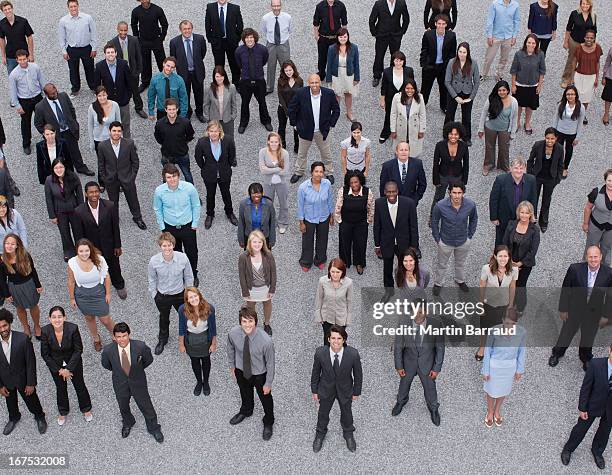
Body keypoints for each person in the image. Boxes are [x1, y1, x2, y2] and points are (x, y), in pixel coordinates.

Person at [550, 246, 612, 370]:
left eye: (596, 257)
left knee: (588, 337)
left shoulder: (609, 273)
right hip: (574, 310)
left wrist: (606, 315)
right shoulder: (575, 269)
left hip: (594, 313)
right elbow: (566, 290)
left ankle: (585, 358)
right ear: (586, 257)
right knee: (566, 334)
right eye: (590, 257)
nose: (593, 260)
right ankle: (557, 353)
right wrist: (563, 309)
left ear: (600, 257)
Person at [101, 322, 164, 443]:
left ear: (129, 334)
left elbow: (148, 360)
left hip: (138, 381)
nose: (122, 339)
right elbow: (106, 365)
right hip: (120, 383)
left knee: (146, 406)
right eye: (118, 337)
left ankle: (154, 428)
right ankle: (128, 422)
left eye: (124, 336)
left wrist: (136, 372)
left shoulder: (140, 347)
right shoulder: (108, 351)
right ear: (114, 337)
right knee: (123, 405)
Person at [392, 299, 444, 426]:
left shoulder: (436, 324)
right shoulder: (403, 324)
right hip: (408, 362)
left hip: (427, 363)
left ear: (426, 311)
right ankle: (401, 401)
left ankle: (433, 408)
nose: (418, 314)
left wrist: (436, 368)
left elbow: (440, 348)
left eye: (421, 311)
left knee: (430, 387)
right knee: (404, 383)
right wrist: (399, 366)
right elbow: (398, 346)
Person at [311, 325, 362, 453]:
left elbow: (358, 375)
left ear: (344, 340)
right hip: (326, 389)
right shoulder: (320, 353)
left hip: (345, 389)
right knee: (323, 413)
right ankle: (320, 433)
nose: (336, 341)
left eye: (339, 338)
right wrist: (315, 390)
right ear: (328, 339)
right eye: (333, 338)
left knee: (347, 412)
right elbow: (315, 373)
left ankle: (348, 433)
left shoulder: (353, 354)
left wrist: (356, 391)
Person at [560, 344, 612, 470]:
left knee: (605, 432)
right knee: (580, 429)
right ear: (610, 349)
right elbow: (586, 388)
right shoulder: (596, 364)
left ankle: (597, 451)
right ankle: (568, 449)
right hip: (593, 405)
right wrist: (582, 407)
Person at [227, 306, 275, 441]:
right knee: (244, 392)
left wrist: (268, 383)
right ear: (240, 322)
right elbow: (230, 348)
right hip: (241, 370)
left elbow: (270, 363)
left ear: (256, 322)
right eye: (244, 321)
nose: (247, 325)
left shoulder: (266, 341)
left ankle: (269, 421)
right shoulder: (233, 334)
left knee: (266, 399)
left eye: (250, 321)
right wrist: (232, 366)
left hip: (260, 374)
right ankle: (246, 410)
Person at [40, 306, 92, 426]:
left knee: (79, 385)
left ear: (64, 317)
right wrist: (59, 370)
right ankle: (63, 410)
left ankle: (86, 408)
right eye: (54, 317)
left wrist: (68, 368)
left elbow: (78, 350)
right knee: (60, 388)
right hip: (56, 366)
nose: (57, 320)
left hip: (73, 363)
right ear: (49, 319)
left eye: (59, 317)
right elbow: (45, 354)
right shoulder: (45, 331)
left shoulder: (73, 328)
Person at [73, 181, 126, 299]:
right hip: (91, 248)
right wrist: (86, 251)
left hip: (109, 245)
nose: (94, 194)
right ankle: (99, 287)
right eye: (91, 192)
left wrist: (118, 245)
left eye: (96, 191)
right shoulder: (79, 211)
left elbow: (115, 227)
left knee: (114, 266)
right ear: (86, 194)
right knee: (95, 268)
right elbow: (79, 235)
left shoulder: (110, 206)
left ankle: (119, 284)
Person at [0, 308, 47, 436]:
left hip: (24, 380)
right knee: (10, 402)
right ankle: (14, 417)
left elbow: (31, 363)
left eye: (4, 325)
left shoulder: (23, 339)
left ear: (9, 323)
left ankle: (39, 416)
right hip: (6, 381)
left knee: (32, 400)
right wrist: (0, 386)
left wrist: (31, 383)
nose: (2, 329)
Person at [153, 164, 201, 286]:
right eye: (169, 177)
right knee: (175, 253)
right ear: (165, 178)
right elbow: (157, 209)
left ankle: (193, 274)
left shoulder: (189, 188)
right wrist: (162, 228)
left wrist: (194, 224)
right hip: (170, 228)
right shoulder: (159, 191)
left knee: (192, 252)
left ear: (179, 176)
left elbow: (196, 205)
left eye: (174, 176)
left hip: (187, 227)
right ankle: (181, 273)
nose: (172, 179)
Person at [288, 74, 340, 184]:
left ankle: (329, 172)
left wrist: (331, 124)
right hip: (305, 130)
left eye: (316, 82)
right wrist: (294, 124)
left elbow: (336, 110)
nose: (314, 85)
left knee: (326, 153)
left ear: (320, 83)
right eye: (312, 83)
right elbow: (292, 109)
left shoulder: (328, 94)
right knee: (302, 153)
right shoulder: (301, 93)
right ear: (308, 83)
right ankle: (299, 172)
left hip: (322, 131)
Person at [34, 83, 94, 176]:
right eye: (52, 94)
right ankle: (66, 172)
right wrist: (47, 134)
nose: (55, 95)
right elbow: (38, 124)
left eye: (55, 92)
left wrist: (74, 123)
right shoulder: (40, 107)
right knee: (60, 154)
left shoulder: (63, 96)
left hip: (68, 130)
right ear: (46, 95)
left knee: (75, 151)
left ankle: (81, 167)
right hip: (56, 134)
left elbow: (71, 110)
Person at [148, 232, 194, 356]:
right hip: (162, 296)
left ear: (173, 245)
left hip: (179, 294)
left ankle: (187, 338)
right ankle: (163, 339)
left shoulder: (183, 258)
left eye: (169, 245)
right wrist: (154, 295)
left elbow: (189, 276)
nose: (167, 248)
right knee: (164, 318)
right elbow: (152, 279)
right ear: (160, 246)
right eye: (164, 246)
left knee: (185, 316)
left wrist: (189, 293)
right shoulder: (154, 261)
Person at [481, 307, 526, 427]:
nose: (509, 326)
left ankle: (497, 411)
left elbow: (522, 350)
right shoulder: (493, 331)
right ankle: (490, 412)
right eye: (507, 323)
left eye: (513, 323)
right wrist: (485, 370)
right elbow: (487, 351)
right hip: (494, 366)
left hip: (509, 367)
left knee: (503, 391)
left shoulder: (521, 332)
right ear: (502, 320)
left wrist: (519, 369)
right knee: (491, 392)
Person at [67, 239, 114, 352]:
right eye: (81, 251)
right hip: (82, 295)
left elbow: (107, 277)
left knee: (105, 319)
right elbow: (71, 281)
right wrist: (72, 298)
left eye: (86, 250)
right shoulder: (72, 263)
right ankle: (96, 338)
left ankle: (116, 335)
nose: (84, 254)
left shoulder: (99, 259)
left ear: (90, 249)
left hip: (98, 293)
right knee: (89, 317)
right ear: (77, 251)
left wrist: (108, 293)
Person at [96, 122, 145, 229]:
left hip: (127, 178)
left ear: (121, 132)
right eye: (114, 130)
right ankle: (114, 219)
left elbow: (135, 162)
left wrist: (132, 176)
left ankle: (137, 218)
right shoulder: (102, 146)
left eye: (119, 131)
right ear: (109, 131)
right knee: (113, 202)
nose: (116, 133)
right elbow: (101, 164)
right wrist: (105, 178)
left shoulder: (129, 144)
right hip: (111, 179)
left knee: (133, 199)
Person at [432, 183, 477, 295]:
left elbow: (473, 219)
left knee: (460, 263)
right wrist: (438, 239)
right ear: (449, 192)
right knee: (442, 264)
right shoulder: (440, 206)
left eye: (459, 193)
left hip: (463, 241)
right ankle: (438, 283)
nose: (456, 196)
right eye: (454, 193)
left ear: (463, 193)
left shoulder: (470, 205)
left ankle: (460, 280)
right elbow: (434, 222)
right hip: (445, 242)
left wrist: (469, 236)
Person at [374, 181, 419, 290]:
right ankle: (389, 291)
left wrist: (414, 246)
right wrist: (377, 245)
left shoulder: (409, 203)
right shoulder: (379, 203)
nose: (391, 194)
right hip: (387, 243)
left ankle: (405, 289)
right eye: (388, 192)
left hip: (404, 243)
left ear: (397, 191)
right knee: (387, 269)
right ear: (384, 192)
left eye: (393, 191)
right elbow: (377, 225)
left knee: (406, 268)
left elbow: (413, 226)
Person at [476, 246, 518, 360]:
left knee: (500, 326)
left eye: (505, 256)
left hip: (503, 303)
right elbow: (482, 285)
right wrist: (480, 303)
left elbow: (512, 286)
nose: (503, 259)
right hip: (488, 302)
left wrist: (510, 305)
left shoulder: (514, 270)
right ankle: (482, 347)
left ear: (509, 257)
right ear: (495, 256)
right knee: (484, 327)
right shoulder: (486, 268)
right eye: (500, 256)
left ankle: (495, 346)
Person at [194, 120, 237, 229]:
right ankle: (210, 214)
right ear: (208, 131)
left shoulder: (228, 140)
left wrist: (227, 166)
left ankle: (229, 213)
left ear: (220, 132)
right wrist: (204, 168)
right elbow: (198, 158)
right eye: (211, 131)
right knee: (210, 194)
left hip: (224, 173)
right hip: (209, 174)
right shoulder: (202, 142)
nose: (213, 133)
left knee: (226, 193)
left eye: (216, 131)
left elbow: (232, 155)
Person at [0, 234, 41, 341]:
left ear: (17, 245)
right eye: (7, 243)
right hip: (14, 288)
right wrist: (6, 294)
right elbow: (2, 279)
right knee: (20, 308)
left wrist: (38, 284)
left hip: (29, 284)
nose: (9, 246)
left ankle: (37, 326)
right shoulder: (2, 260)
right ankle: (25, 327)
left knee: (33, 306)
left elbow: (33, 270)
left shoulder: (25, 255)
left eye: (12, 244)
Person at [489, 156, 538, 245]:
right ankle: (500, 257)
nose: (518, 171)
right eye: (516, 168)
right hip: (504, 218)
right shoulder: (501, 180)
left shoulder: (531, 180)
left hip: (522, 218)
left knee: (519, 241)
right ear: (511, 168)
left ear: (525, 169)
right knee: (501, 240)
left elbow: (534, 199)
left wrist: (532, 216)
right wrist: (494, 217)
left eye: (521, 168)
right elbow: (494, 199)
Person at [502, 201, 541, 314]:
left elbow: (533, 251)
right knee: (509, 283)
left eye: (526, 213)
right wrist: (509, 261)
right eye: (522, 212)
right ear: (518, 212)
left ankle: (520, 307)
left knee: (520, 286)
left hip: (525, 264)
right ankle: (509, 304)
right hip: (510, 261)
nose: (524, 215)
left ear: (531, 214)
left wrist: (520, 263)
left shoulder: (534, 230)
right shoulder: (511, 224)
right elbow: (505, 243)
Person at [178, 287, 217, 396]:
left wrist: (213, 344)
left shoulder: (209, 308)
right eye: (191, 297)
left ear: (199, 295)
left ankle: (206, 383)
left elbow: (213, 328)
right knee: (195, 362)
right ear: (187, 299)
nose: (194, 299)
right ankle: (199, 382)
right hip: (191, 340)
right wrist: (181, 344)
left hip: (205, 339)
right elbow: (181, 328)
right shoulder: (182, 310)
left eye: (195, 296)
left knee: (206, 361)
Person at [334, 170, 374, 275]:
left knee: (360, 244)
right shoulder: (343, 191)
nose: (354, 185)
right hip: (346, 222)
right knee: (344, 243)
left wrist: (368, 221)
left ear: (360, 181)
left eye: (356, 182)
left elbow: (371, 208)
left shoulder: (367, 192)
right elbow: (338, 207)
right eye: (351, 183)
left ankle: (359, 263)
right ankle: (344, 262)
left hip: (361, 223)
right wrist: (340, 221)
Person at [297, 162, 334, 272]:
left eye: (321, 171)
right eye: (316, 171)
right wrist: (301, 222)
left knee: (323, 239)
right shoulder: (303, 188)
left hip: (324, 216)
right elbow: (300, 205)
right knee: (307, 241)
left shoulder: (327, 184)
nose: (319, 174)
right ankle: (306, 261)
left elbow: (330, 200)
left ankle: (320, 260)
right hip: (309, 218)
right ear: (311, 172)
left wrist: (331, 215)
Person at [44, 158, 83, 261]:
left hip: (74, 209)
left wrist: (81, 208)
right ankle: (69, 251)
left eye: (61, 167)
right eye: (56, 167)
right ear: (53, 169)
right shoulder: (49, 180)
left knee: (78, 230)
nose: (59, 170)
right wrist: (52, 215)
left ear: (65, 167)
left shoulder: (72, 176)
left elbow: (79, 192)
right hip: (60, 211)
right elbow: (48, 199)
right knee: (64, 232)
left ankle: (81, 249)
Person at [235, 28, 272, 134]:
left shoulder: (263, 49)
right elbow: (239, 64)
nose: (249, 39)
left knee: (262, 102)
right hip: (245, 81)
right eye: (247, 38)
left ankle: (266, 121)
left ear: (255, 38)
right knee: (245, 103)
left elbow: (264, 61)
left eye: (251, 37)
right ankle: (243, 123)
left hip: (259, 80)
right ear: (244, 39)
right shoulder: (239, 51)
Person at [238, 231, 277, 336]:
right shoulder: (243, 257)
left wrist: (272, 289)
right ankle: (252, 324)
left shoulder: (268, 255)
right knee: (250, 307)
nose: (257, 245)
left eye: (259, 242)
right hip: (251, 289)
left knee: (267, 304)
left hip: (265, 287)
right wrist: (245, 292)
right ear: (250, 243)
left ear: (263, 243)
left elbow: (273, 273)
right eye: (254, 242)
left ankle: (267, 323)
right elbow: (241, 276)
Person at [527, 127, 564, 232]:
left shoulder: (560, 148)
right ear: (545, 137)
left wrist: (558, 179)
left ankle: (543, 221)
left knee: (546, 201)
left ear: (556, 138)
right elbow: (530, 161)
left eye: (552, 138)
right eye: (548, 138)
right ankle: (532, 219)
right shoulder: (538, 145)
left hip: (550, 178)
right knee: (534, 198)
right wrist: (530, 175)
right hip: (537, 177)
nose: (550, 141)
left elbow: (561, 165)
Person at [7, 50, 44, 155]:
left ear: (28, 58)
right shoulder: (14, 74)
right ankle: (26, 144)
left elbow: (42, 81)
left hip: (37, 98)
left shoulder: (35, 67)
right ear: (17, 60)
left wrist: (45, 96)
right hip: (25, 101)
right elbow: (13, 92)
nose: (22, 61)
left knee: (43, 119)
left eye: (24, 59)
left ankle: (46, 136)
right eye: (20, 60)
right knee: (25, 123)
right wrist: (17, 105)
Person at [169, 20, 207, 122]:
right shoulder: (174, 42)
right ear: (180, 30)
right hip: (183, 73)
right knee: (184, 94)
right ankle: (187, 112)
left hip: (197, 72)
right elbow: (174, 58)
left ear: (192, 28)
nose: (187, 31)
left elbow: (203, 53)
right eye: (184, 29)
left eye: (189, 28)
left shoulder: (200, 39)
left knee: (199, 94)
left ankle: (199, 112)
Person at [478, 80, 518, 174]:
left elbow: (515, 118)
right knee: (489, 147)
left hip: (505, 129)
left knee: (504, 148)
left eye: (504, 90)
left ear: (508, 90)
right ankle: (488, 165)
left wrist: (512, 132)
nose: (502, 92)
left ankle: (504, 166)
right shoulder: (491, 99)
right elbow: (484, 113)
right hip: (490, 127)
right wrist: (480, 128)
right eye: (499, 90)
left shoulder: (513, 102)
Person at [58, 0, 96, 98]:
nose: (73, 8)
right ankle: (75, 89)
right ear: (68, 8)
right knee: (73, 70)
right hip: (72, 49)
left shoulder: (87, 18)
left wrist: (94, 48)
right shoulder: (63, 21)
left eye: (75, 6)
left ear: (78, 6)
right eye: (71, 7)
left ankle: (93, 87)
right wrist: (64, 51)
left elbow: (94, 33)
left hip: (86, 48)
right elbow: (62, 38)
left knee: (90, 68)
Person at [430, 122, 469, 217]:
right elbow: (435, 164)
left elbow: (466, 164)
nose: (453, 136)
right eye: (451, 134)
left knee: (455, 198)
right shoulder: (440, 145)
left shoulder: (463, 146)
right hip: (442, 175)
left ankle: (452, 215)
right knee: (438, 198)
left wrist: (464, 181)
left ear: (459, 135)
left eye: (456, 134)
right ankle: (433, 216)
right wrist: (436, 180)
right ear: (447, 134)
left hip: (457, 176)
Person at [94, 43, 132, 138]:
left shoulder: (123, 64)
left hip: (123, 100)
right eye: (108, 52)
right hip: (109, 101)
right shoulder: (99, 66)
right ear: (105, 54)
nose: (110, 54)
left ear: (116, 53)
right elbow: (97, 85)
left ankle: (127, 143)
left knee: (126, 124)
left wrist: (128, 96)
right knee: (110, 124)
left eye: (112, 52)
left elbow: (129, 82)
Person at [510, 34, 546, 134]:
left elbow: (542, 71)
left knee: (530, 107)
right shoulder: (518, 54)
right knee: (518, 106)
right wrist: (513, 85)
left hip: (533, 86)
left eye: (533, 43)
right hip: (520, 85)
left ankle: (527, 123)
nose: (531, 44)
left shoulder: (540, 55)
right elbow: (514, 70)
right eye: (529, 42)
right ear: (525, 43)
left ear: (536, 44)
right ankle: (517, 123)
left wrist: (539, 85)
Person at [419, 14, 456, 113]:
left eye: (443, 24)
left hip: (443, 67)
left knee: (444, 88)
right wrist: (424, 64)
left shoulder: (451, 36)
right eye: (439, 23)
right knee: (425, 88)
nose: (440, 26)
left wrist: (448, 66)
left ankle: (444, 106)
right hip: (430, 66)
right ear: (435, 24)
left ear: (446, 25)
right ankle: (422, 104)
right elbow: (424, 50)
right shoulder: (428, 35)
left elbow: (452, 53)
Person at [154, 98, 195, 184]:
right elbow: (158, 137)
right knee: (167, 178)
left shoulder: (185, 123)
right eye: (169, 109)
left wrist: (183, 143)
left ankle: (193, 195)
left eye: (173, 109)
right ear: (165, 110)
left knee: (187, 175)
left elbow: (190, 135)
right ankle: (166, 195)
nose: (172, 111)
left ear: (177, 109)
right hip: (167, 155)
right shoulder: (160, 124)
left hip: (182, 154)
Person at [369, 0, 409, 88]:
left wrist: (401, 32)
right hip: (382, 35)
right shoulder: (379, 3)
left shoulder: (401, 3)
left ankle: (392, 75)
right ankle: (377, 76)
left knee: (395, 56)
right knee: (379, 56)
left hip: (395, 35)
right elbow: (372, 19)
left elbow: (406, 19)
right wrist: (375, 33)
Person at [444, 43, 479, 146]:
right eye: (460, 52)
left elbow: (477, 81)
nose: (462, 54)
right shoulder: (452, 62)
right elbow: (447, 81)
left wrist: (471, 98)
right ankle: (446, 135)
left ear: (468, 53)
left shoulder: (473, 63)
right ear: (457, 51)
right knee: (450, 115)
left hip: (467, 92)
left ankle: (466, 137)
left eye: (464, 52)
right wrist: (455, 96)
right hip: (454, 91)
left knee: (467, 117)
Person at [111, 21, 146, 118]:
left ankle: (139, 108)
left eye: (125, 30)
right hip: (120, 73)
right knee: (120, 91)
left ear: (128, 29)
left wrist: (138, 70)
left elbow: (138, 55)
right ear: (117, 30)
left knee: (135, 91)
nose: (123, 32)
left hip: (132, 71)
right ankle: (119, 109)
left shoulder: (134, 40)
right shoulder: (112, 42)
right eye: (121, 30)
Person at [130, 0, 167, 92]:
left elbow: (165, 24)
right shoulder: (136, 11)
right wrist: (137, 38)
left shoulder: (157, 10)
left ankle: (166, 79)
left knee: (161, 60)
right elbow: (134, 25)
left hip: (156, 40)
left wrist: (161, 38)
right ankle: (146, 82)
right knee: (144, 63)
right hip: (143, 41)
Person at [313, 259, 353, 345]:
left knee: (340, 341)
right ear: (329, 271)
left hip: (341, 318)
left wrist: (348, 319)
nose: (335, 275)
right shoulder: (322, 281)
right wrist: (318, 316)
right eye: (332, 272)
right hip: (327, 317)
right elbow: (319, 298)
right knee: (327, 340)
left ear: (343, 272)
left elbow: (349, 301)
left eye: (338, 272)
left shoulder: (348, 283)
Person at [204, 0, 244, 85]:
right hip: (217, 42)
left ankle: (236, 83)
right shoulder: (210, 7)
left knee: (234, 64)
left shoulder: (235, 8)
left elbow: (240, 25)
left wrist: (236, 38)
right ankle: (220, 84)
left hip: (231, 42)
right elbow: (207, 24)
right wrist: (211, 39)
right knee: (219, 65)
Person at [379, 50, 414, 144]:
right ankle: (386, 132)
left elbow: (412, 85)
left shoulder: (409, 71)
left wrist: (412, 98)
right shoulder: (387, 71)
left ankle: (404, 134)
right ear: (393, 61)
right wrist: (382, 100)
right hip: (390, 98)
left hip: (404, 97)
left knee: (404, 115)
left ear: (404, 61)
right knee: (389, 115)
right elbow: (384, 87)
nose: (398, 63)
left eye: (400, 61)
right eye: (396, 60)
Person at [325, 27, 360, 122]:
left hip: (349, 75)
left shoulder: (354, 48)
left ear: (348, 37)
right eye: (340, 37)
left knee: (348, 94)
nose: (343, 39)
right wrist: (329, 79)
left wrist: (357, 78)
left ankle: (349, 112)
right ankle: (336, 112)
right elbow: (329, 64)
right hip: (337, 74)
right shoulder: (332, 48)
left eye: (344, 37)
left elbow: (356, 64)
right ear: (337, 38)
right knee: (337, 94)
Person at [86, 86, 121, 180]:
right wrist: (91, 141)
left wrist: (121, 138)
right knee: (102, 161)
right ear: (96, 96)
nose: (102, 98)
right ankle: (101, 181)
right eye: (99, 96)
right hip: (99, 140)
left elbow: (119, 122)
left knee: (115, 160)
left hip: (113, 138)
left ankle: (116, 180)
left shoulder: (115, 105)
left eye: (104, 95)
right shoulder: (92, 108)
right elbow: (90, 125)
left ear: (107, 94)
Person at [561, 0, 596, 89]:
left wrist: (593, 44)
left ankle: (578, 79)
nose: (585, 5)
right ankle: (566, 79)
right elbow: (568, 28)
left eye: (587, 4)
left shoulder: (593, 16)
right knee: (571, 60)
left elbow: (594, 31)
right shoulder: (574, 14)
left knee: (583, 61)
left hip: (586, 44)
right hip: (574, 41)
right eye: (583, 3)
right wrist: (565, 41)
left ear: (590, 5)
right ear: (580, 4)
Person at [481, 0, 520, 81]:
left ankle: (499, 74)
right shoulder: (495, 4)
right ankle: (483, 74)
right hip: (495, 36)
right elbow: (490, 20)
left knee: (504, 58)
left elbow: (516, 21)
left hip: (508, 36)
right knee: (489, 57)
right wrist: (489, 36)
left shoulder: (515, 5)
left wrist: (514, 36)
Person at [259, 132, 290, 234]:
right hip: (268, 184)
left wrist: (269, 169)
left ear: (279, 142)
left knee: (283, 204)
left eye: (276, 142)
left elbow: (285, 171)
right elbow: (262, 170)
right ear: (268, 141)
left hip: (282, 184)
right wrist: (277, 169)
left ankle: (283, 223)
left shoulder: (284, 153)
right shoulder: (262, 152)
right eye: (271, 142)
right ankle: (268, 222)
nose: (273, 144)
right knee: (267, 204)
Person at [260, 0, 292, 94]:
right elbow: (264, 30)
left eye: (278, 6)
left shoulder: (287, 17)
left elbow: (290, 30)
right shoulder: (265, 18)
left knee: (286, 67)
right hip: (271, 45)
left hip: (283, 45)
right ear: (271, 6)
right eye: (274, 6)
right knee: (270, 66)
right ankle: (269, 87)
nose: (276, 8)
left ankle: (286, 86)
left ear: (281, 6)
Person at [553, 86, 585, 179]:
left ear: (576, 95)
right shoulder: (561, 105)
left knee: (569, 151)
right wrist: (553, 132)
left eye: (572, 94)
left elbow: (580, 123)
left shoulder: (581, 107)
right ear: (565, 95)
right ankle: (557, 166)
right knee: (558, 150)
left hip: (571, 133)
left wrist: (578, 137)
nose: (570, 96)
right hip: (560, 131)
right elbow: (556, 118)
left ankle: (565, 168)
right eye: (568, 94)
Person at [389, 78, 426, 155]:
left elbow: (422, 114)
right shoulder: (397, 97)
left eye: (412, 88)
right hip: (400, 128)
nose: (410, 91)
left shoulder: (420, 97)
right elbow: (393, 114)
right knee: (400, 150)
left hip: (414, 127)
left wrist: (422, 130)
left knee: (413, 151)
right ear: (404, 88)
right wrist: (393, 130)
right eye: (407, 88)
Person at [313, 0, 348, 81]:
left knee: (336, 57)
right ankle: (321, 74)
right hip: (323, 38)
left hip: (336, 38)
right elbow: (316, 23)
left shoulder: (341, 5)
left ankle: (334, 74)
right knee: (322, 58)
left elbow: (344, 23)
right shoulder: (320, 6)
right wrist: (316, 36)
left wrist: (343, 36)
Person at [572, 29, 602, 125]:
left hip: (591, 76)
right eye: (587, 37)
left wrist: (597, 78)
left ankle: (583, 114)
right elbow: (574, 62)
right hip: (579, 75)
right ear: (584, 37)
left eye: (591, 38)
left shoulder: (598, 48)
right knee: (577, 96)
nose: (589, 39)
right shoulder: (579, 48)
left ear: (594, 39)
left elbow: (598, 63)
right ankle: (575, 112)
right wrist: (572, 77)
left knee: (587, 98)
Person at [583, 170, 612, 267]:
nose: (611, 184)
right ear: (605, 180)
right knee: (591, 247)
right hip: (595, 225)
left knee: (607, 249)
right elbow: (588, 208)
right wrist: (585, 223)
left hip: (610, 229)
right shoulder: (596, 191)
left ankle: (602, 271)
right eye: (609, 180)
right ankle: (586, 267)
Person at [237, 184, 276, 250]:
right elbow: (241, 223)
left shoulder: (269, 204)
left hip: (264, 237)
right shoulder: (243, 204)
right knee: (250, 258)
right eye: (253, 193)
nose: (256, 195)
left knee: (264, 258)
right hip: (249, 237)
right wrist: (241, 240)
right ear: (249, 194)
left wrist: (272, 240)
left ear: (262, 193)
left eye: (258, 193)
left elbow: (272, 223)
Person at [203, 65, 238, 137]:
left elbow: (233, 103)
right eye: (217, 76)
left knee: (229, 140)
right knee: (215, 140)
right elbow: (206, 105)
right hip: (214, 120)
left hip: (228, 120)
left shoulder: (231, 87)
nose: (219, 78)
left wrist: (233, 116)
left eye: (221, 76)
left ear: (224, 76)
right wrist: (208, 119)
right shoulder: (209, 89)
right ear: (214, 77)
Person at [0, 1, 33, 75]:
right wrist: (3, 56)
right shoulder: (1, 24)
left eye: (9, 9)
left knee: (27, 76)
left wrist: (31, 54)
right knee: (12, 77)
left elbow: (30, 37)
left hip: (24, 55)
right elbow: (2, 40)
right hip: (10, 56)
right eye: (5, 10)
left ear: (12, 8)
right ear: (2, 11)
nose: (8, 11)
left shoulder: (23, 21)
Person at [276, 61, 301, 152]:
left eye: (290, 70)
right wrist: (287, 111)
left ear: (293, 69)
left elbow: (300, 96)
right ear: (283, 71)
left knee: (296, 128)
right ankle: (282, 145)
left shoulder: (299, 80)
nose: (288, 72)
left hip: (296, 109)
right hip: (283, 108)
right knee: (282, 127)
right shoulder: (280, 81)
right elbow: (280, 97)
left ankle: (297, 146)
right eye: (286, 71)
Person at [602, 46, 612, 126]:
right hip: (610, 76)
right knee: (608, 97)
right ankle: (606, 114)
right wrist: (604, 77)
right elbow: (607, 63)